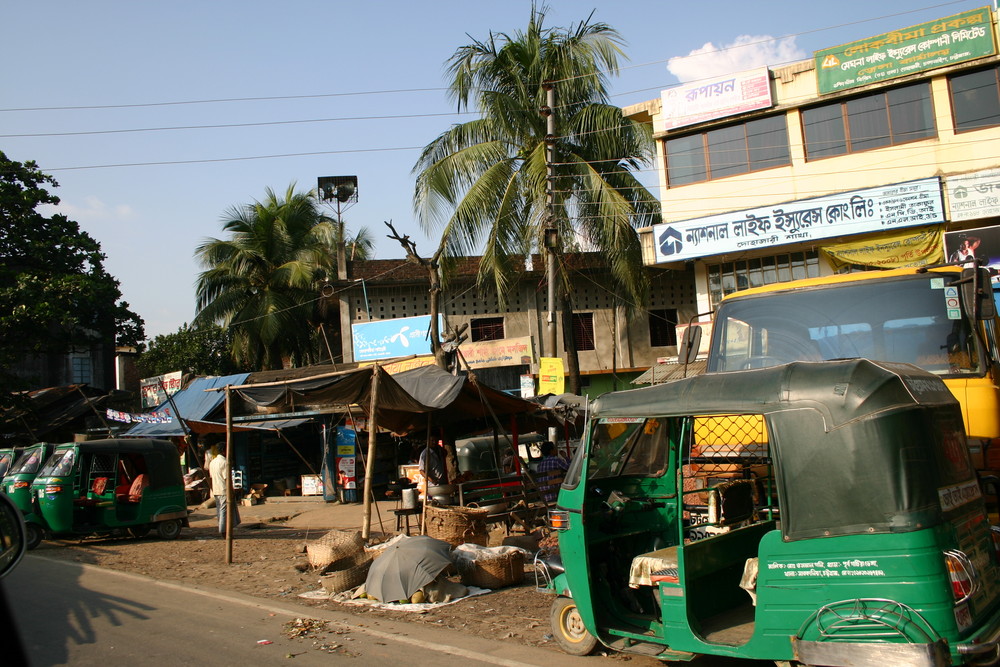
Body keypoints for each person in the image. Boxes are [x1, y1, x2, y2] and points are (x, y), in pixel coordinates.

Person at [209, 448, 240, 534]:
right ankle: (223, 530)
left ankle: (224, 528)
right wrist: (232, 491)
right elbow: (227, 479)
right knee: (223, 511)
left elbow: (211, 477)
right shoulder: (224, 462)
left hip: (216, 489)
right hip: (223, 490)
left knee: (220, 510)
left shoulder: (213, 462)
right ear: (224, 451)